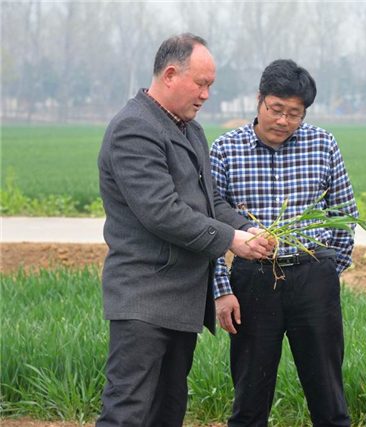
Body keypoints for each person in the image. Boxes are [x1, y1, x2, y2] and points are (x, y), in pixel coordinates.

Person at [96, 33, 272, 426]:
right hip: (143, 299)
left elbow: (206, 204)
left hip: (182, 301)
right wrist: (231, 241)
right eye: (202, 83)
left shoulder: (189, 129)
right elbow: (162, 211)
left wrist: (248, 229)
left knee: (168, 409)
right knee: (128, 410)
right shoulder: (134, 129)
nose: (207, 94)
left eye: (210, 85)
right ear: (171, 74)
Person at [210, 59, 356, 427]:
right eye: (276, 110)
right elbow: (208, 223)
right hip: (253, 283)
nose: (283, 122)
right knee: (250, 399)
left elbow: (344, 214)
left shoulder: (322, 144)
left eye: (295, 114)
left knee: (328, 395)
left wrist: (326, 271)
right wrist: (221, 288)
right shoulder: (226, 149)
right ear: (259, 100)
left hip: (313, 279)